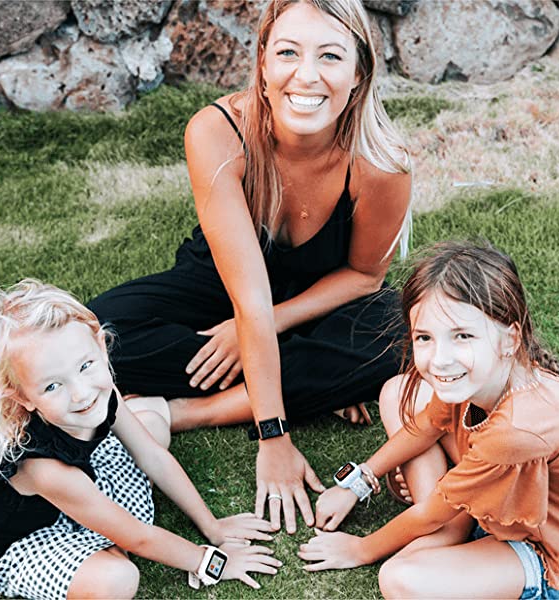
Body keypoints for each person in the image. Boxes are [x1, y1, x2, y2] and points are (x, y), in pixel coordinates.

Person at [87, 0, 412, 534]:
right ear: (263, 61)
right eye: (288, 52)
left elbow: (365, 277)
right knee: (98, 339)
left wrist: (258, 340)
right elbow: (249, 297)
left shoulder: (380, 165)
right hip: (216, 281)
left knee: (396, 331)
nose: (305, 75)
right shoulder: (218, 131)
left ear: (359, 73)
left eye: (330, 56)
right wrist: (273, 428)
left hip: (316, 301)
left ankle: (181, 411)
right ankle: (315, 381)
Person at [299, 241, 559, 599]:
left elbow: (427, 514)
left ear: (510, 338)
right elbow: (426, 425)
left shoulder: (519, 427)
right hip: (501, 484)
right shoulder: (480, 375)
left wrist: (361, 549)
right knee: (398, 393)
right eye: (425, 337)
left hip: (552, 552)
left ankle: (457, 522)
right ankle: (458, 521)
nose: (440, 360)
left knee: (400, 579)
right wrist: (359, 480)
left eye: (462, 336)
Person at [0, 280, 279, 600]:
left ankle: (101, 530)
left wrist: (214, 528)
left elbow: (153, 456)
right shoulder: (39, 466)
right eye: (52, 386)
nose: (81, 393)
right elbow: (139, 538)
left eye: (86, 365)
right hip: (17, 542)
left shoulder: (98, 388)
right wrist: (214, 562)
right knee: (117, 580)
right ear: (22, 398)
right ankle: (99, 540)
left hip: (72, 485)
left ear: (101, 346)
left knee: (154, 432)